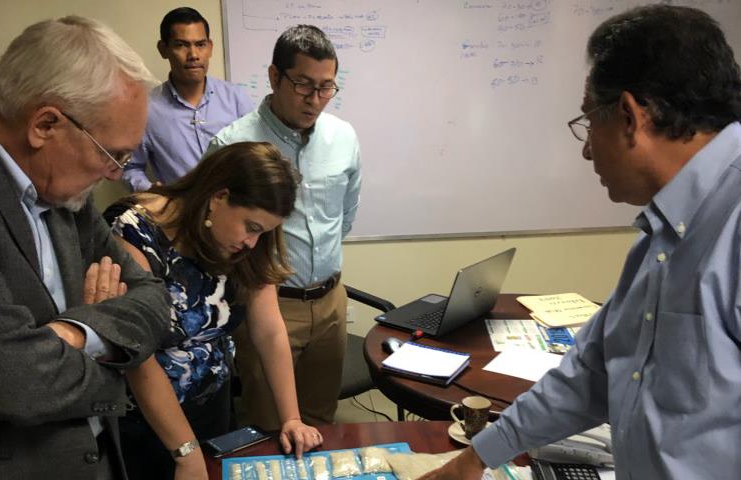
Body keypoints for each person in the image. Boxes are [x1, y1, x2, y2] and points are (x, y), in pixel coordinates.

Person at [422, 5, 741, 479]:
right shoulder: (660, 234)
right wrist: (476, 458)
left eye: (590, 120)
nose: (588, 147)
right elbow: (591, 372)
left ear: (631, 117)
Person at [0, 16, 171, 479]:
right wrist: (116, 354)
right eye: (112, 155)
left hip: (99, 457)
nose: (114, 174)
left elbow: (153, 300)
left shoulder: (61, 185)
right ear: (46, 124)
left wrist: (72, 335)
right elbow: (17, 382)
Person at [106, 141, 323, 480]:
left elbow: (268, 329)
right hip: (144, 417)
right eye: (251, 227)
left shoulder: (246, 243)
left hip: (212, 406)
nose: (253, 242)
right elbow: (137, 353)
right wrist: (185, 451)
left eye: (263, 233)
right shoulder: (134, 230)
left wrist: (291, 417)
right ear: (218, 197)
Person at [206, 24, 361, 429]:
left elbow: (344, 216)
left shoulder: (343, 137)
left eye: (326, 87)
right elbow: (215, 237)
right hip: (268, 305)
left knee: (320, 421)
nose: (315, 100)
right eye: (303, 85)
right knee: (271, 427)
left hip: (330, 301)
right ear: (275, 77)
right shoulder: (232, 145)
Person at [122, 7, 254, 192]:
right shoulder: (146, 110)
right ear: (163, 49)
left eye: (200, 44)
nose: (193, 55)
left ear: (210, 47)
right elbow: (131, 168)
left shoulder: (236, 99)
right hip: (181, 214)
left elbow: (259, 158)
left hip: (236, 211)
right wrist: (150, 191)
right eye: (181, 45)